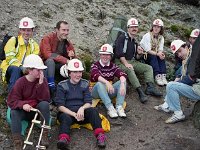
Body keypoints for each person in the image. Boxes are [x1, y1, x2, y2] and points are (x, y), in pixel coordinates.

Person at [54, 59, 106, 150]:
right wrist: (74, 114)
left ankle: (100, 136)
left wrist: (82, 108)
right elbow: (60, 106)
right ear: (69, 73)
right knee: (65, 117)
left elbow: (88, 102)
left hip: (82, 113)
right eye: (75, 72)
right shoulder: (62, 85)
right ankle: (64, 139)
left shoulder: (85, 83)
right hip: (68, 113)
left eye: (80, 72)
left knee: (93, 111)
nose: (78, 74)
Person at [7, 54, 50, 150]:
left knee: (44, 104)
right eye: (38, 70)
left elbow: (45, 99)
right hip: (24, 112)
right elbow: (12, 101)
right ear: (30, 70)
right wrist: (23, 105)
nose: (41, 72)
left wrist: (41, 84)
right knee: (14, 112)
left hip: (36, 112)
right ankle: (18, 142)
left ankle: (44, 134)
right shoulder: (20, 82)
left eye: (41, 70)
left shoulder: (42, 81)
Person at [114, 18, 162, 103]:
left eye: (135, 27)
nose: (134, 28)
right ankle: (140, 92)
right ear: (128, 28)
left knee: (148, 68)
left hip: (132, 61)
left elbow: (136, 58)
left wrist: (139, 54)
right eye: (132, 27)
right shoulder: (122, 38)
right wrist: (126, 63)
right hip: (120, 62)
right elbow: (119, 53)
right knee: (130, 69)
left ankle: (150, 87)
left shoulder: (135, 42)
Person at [154, 40, 200, 124]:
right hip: (196, 86)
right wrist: (177, 80)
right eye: (177, 53)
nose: (179, 55)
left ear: (186, 47)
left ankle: (178, 114)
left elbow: (190, 79)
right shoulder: (188, 57)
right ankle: (166, 105)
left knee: (172, 86)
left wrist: (176, 83)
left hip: (198, 88)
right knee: (173, 84)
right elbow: (180, 73)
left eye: (180, 51)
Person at [0, 17, 39, 92]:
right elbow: (10, 58)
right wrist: (21, 67)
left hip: (26, 71)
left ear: (32, 31)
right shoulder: (13, 41)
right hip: (10, 69)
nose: (26, 33)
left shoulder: (35, 45)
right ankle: (11, 99)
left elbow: (34, 61)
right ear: (20, 30)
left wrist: (28, 69)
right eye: (23, 30)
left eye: (28, 30)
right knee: (16, 69)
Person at [90, 44, 127, 118]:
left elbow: (122, 74)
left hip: (108, 91)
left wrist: (122, 84)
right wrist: (107, 82)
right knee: (100, 84)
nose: (105, 57)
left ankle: (119, 107)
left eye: (108, 55)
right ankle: (110, 107)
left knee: (122, 81)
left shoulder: (113, 66)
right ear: (100, 55)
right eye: (103, 54)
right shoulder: (95, 65)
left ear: (111, 56)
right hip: (95, 92)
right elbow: (96, 75)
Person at [40, 20, 76, 96]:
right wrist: (65, 60)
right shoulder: (47, 38)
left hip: (59, 66)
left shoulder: (67, 43)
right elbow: (47, 54)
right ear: (57, 30)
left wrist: (72, 56)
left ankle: (72, 90)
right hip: (45, 65)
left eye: (67, 30)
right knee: (50, 61)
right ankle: (51, 87)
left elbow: (74, 59)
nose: (66, 33)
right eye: (63, 30)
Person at [140, 19, 167, 86]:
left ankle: (163, 75)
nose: (156, 28)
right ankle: (157, 75)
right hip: (144, 55)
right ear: (152, 27)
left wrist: (160, 54)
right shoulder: (147, 35)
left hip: (154, 54)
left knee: (161, 57)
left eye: (158, 27)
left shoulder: (161, 38)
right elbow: (148, 50)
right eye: (155, 26)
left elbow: (160, 49)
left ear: (161, 28)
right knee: (154, 56)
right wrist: (158, 54)